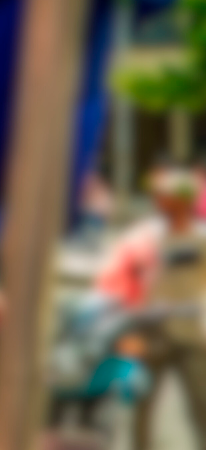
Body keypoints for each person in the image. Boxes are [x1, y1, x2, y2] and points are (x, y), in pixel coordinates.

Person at [95, 166, 206, 448]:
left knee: (201, 401)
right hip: (149, 331)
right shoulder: (145, 236)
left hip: (189, 332)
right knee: (142, 405)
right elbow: (120, 281)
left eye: (166, 196)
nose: (160, 201)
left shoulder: (200, 237)